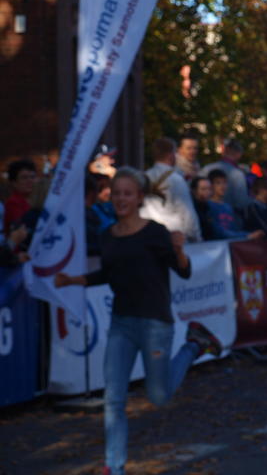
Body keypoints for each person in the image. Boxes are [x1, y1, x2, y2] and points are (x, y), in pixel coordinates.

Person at [54, 167, 222, 475]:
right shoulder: (107, 236)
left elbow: (183, 271)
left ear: (139, 198)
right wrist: (71, 280)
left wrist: (179, 250)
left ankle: (194, 346)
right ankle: (114, 466)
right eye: (117, 193)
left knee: (159, 396)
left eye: (127, 194)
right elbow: (107, 274)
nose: (121, 199)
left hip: (154, 324)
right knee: (113, 399)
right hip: (121, 324)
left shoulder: (155, 232)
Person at [140, 137, 202, 242]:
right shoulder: (176, 179)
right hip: (172, 236)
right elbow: (187, 213)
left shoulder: (144, 177)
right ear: (170, 155)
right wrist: (196, 237)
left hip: (146, 233)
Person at [199, 139, 251, 219]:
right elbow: (241, 203)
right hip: (231, 219)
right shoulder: (238, 174)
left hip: (206, 217)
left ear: (224, 151)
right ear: (239, 154)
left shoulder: (206, 169)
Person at [207, 169, 263, 240]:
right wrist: (247, 235)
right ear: (211, 185)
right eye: (218, 183)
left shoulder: (228, 207)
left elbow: (234, 229)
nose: (222, 186)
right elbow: (218, 232)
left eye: (225, 182)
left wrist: (250, 234)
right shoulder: (208, 205)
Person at [4, 159, 37, 234]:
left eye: (32, 177)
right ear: (14, 183)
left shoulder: (38, 200)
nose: (30, 180)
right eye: (24, 177)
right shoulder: (13, 203)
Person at [189, 176, 217, 241]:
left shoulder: (209, 207)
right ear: (194, 191)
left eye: (209, 189)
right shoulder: (191, 209)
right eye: (203, 189)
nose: (207, 192)